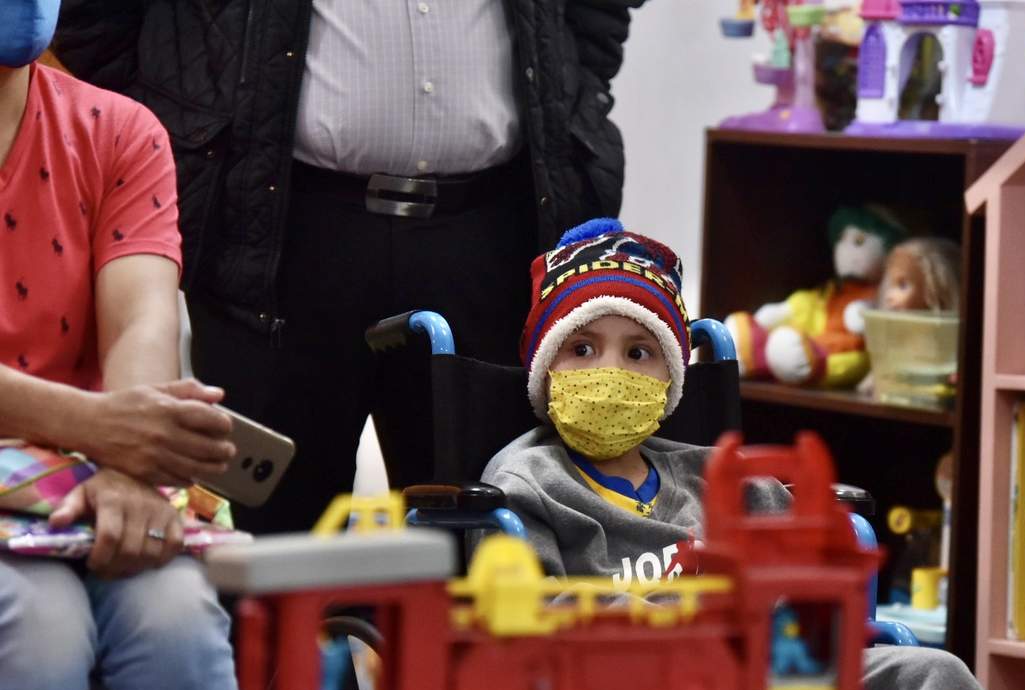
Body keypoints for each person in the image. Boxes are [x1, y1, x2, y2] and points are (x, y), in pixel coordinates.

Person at [481, 219, 994, 690]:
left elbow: (807, 567)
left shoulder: (718, 473)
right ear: (544, 367)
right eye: (582, 349)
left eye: (638, 353)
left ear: (669, 379)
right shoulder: (526, 481)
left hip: (771, 666)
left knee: (942, 684)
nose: (609, 371)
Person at [53, 0, 648, 534]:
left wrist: (571, 89)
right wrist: (183, 125)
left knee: (484, 533)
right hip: (275, 232)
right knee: (269, 539)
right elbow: (93, 22)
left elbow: (597, 17)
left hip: (490, 235)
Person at [0, 4, 238, 690]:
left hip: (90, 476)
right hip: (84, 454)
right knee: (35, 630)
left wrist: (135, 469)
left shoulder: (117, 131)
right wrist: (109, 429)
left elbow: (143, 318)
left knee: (179, 621)